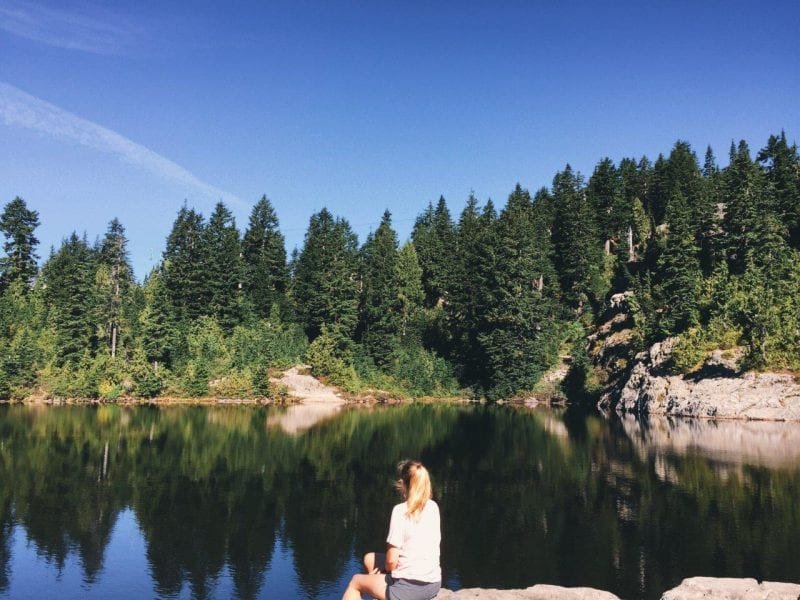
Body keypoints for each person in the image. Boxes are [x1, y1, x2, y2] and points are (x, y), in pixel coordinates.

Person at [342, 460, 441, 600]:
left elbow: (391, 562)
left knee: (355, 581)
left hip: (408, 587)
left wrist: (383, 573)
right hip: (433, 584)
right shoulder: (433, 507)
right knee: (369, 559)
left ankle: (387, 593)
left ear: (403, 484)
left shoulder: (401, 511)